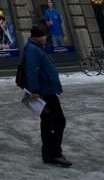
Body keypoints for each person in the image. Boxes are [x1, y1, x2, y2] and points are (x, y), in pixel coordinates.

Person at [24, 25, 72, 168]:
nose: (46, 38)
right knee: (57, 122)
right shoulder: (32, 49)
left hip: (47, 90)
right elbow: (32, 70)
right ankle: (54, 153)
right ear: (37, 37)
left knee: (49, 122)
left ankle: (49, 154)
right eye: (44, 35)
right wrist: (33, 90)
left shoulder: (37, 48)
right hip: (44, 92)